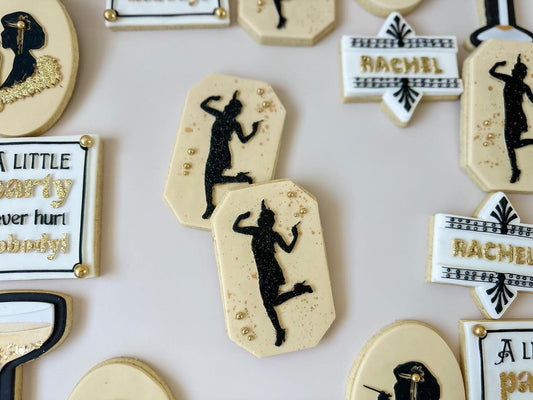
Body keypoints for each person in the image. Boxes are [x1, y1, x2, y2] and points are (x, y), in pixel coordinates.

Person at [233, 200, 313, 347]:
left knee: (268, 303)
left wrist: (241, 217)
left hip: (270, 271)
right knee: (272, 302)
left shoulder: (260, 232)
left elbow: (236, 227)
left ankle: (279, 330)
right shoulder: (262, 232)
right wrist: (295, 236)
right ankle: (298, 291)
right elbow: (235, 229)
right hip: (266, 271)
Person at [200, 91, 262, 219]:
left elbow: (243, 140)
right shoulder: (219, 115)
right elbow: (203, 106)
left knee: (210, 179)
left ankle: (210, 204)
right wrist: (212, 97)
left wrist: (254, 130)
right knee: (211, 179)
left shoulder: (233, 123)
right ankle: (239, 180)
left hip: (221, 153)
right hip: (213, 151)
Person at [490, 55, 533, 183]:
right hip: (511, 117)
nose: (512, 70)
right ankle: (515, 170)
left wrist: (498, 64)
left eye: (515, 69)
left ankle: (515, 170)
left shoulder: (519, 84)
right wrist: (498, 63)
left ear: (519, 73)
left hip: (517, 118)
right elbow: (491, 73)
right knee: (510, 145)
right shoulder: (512, 81)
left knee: (512, 144)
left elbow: (492, 72)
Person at [0, 12, 45, 89]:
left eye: (7, 30)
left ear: (20, 37)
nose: (2, 33)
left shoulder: (26, 64)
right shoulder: (19, 61)